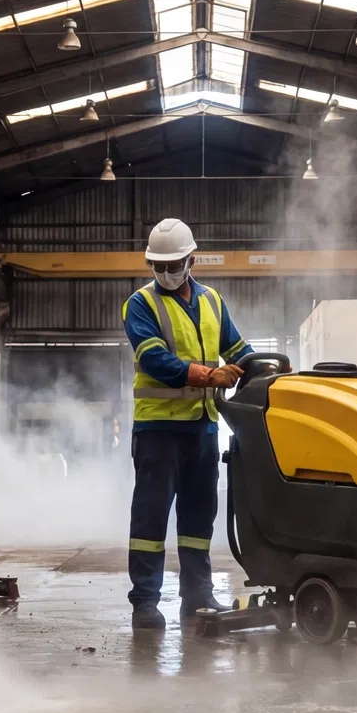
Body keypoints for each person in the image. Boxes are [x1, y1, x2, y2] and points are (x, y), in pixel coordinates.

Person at [123, 218, 252, 629]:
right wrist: (206, 375)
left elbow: (237, 348)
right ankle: (145, 600)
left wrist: (269, 372)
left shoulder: (212, 301)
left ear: (191, 259)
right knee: (151, 519)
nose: (164, 272)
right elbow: (154, 359)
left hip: (203, 428)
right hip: (158, 430)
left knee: (199, 518)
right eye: (156, 265)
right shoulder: (141, 304)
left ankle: (197, 594)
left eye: (172, 264)